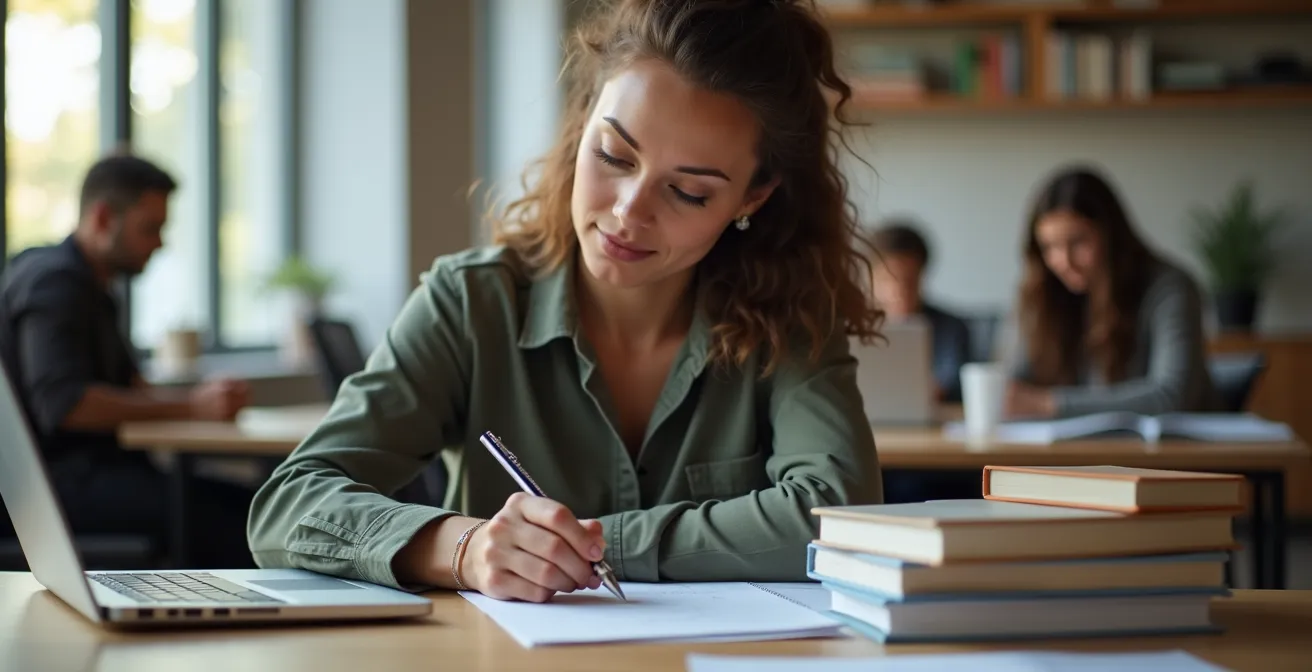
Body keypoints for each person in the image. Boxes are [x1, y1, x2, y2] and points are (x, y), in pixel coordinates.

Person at [248, 0, 884, 603]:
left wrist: (593, 544)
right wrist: (467, 548)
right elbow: (290, 505)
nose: (629, 211)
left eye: (688, 191)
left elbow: (838, 513)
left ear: (752, 198)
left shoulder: (792, 317)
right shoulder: (471, 303)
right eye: (612, 155)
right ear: (581, 128)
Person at [0, 153, 256, 568]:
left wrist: (199, 399)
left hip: (88, 477)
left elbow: (128, 389)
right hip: (49, 491)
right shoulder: (54, 283)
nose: (159, 243)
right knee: (241, 518)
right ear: (103, 218)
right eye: (150, 228)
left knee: (249, 505)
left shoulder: (94, 290)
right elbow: (65, 403)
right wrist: (193, 407)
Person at [1004, 164, 1220, 419]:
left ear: (1111, 235)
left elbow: (1172, 395)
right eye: (1049, 247)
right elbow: (1014, 388)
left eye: (1078, 242)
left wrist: (1051, 404)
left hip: (1173, 455)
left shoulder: (1171, 288)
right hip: (1073, 454)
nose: (1063, 262)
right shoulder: (1045, 293)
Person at [866, 220, 973, 402]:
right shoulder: (851, 328)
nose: (897, 290)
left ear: (922, 275)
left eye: (909, 280)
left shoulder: (951, 328)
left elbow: (950, 384)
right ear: (871, 278)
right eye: (887, 279)